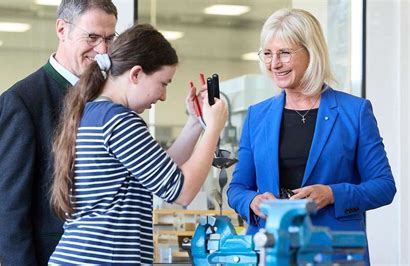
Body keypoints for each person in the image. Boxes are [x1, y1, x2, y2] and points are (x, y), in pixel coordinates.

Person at [48, 24, 228, 265]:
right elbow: (182, 192)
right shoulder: (119, 121)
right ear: (136, 74)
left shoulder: (93, 114)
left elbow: (163, 171)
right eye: (163, 83)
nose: (163, 96)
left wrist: (196, 124)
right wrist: (214, 127)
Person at [227, 8, 396, 264]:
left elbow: (383, 186)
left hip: (334, 251)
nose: (274, 64)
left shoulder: (355, 112)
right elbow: (237, 188)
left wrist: (331, 194)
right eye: (268, 54)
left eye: (284, 53)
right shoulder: (257, 116)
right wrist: (252, 200)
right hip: (271, 252)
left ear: (311, 52)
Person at [0, 1, 118, 265]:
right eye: (92, 37)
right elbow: (9, 211)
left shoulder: (109, 98)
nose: (102, 50)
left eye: (109, 39)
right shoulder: (23, 101)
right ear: (62, 29)